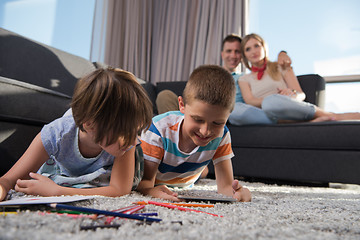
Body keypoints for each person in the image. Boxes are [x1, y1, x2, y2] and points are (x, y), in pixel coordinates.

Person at [0, 67, 153, 201]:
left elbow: (119, 190)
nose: (134, 141)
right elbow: (8, 180)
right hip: (64, 172)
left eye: (136, 131)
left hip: (102, 174)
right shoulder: (56, 134)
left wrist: (58, 192)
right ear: (90, 125)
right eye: (126, 133)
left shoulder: (127, 143)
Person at [136, 65, 252, 202]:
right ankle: (201, 171)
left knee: (199, 171)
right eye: (198, 119)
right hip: (160, 178)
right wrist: (151, 191)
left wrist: (239, 195)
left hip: (186, 181)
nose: (205, 131)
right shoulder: (157, 130)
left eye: (217, 123)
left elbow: (226, 188)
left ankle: (200, 171)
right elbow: (144, 184)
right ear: (182, 105)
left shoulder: (222, 135)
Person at [235, 33, 360, 124]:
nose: (253, 51)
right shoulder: (244, 79)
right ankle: (303, 123)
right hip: (264, 114)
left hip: (284, 105)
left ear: (263, 47)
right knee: (235, 111)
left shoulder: (281, 66)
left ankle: (327, 115)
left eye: (256, 46)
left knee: (272, 103)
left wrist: (291, 94)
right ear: (244, 55)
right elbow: (250, 101)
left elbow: (301, 94)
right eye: (248, 49)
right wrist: (270, 99)